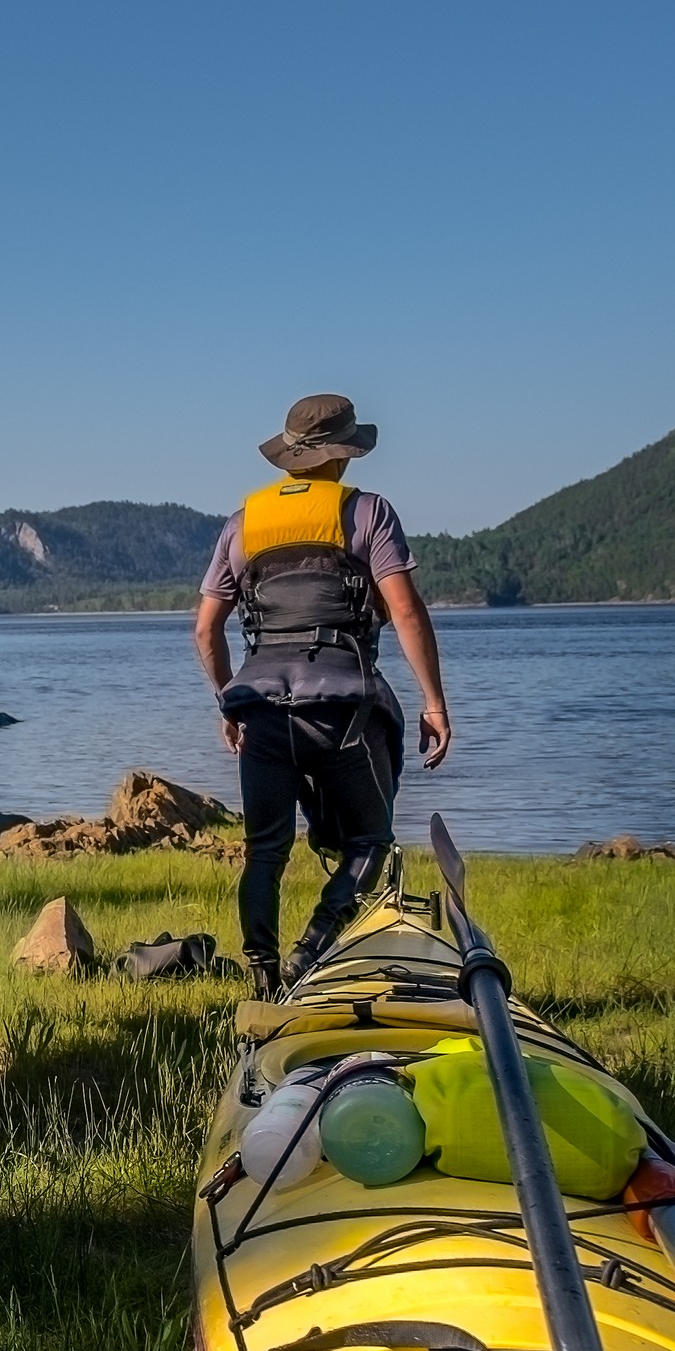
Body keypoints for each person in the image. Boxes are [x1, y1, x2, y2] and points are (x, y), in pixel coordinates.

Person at [193, 393, 454, 999]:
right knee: (369, 840)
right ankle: (311, 950)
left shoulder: (241, 526)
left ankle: (261, 981)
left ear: (290, 456)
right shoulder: (367, 515)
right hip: (344, 709)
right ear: (344, 454)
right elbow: (407, 612)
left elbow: (206, 630)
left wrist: (229, 701)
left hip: (260, 710)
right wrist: (433, 703)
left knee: (264, 852)